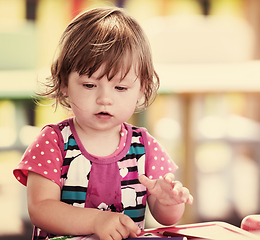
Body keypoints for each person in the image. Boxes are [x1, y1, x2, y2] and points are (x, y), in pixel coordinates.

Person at [13, 7, 193, 240]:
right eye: (89, 85)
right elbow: (41, 208)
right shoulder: (54, 142)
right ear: (64, 82)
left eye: (120, 88)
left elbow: (166, 218)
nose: (104, 98)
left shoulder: (144, 146)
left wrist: (169, 202)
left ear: (142, 89)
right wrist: (97, 221)